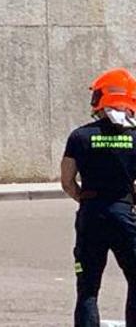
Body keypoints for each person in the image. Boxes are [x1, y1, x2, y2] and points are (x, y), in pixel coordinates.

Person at [61, 66, 136, 327]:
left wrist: (85, 198)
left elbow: (67, 181)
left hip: (91, 213)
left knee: (88, 288)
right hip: (124, 214)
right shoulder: (134, 137)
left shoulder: (80, 136)